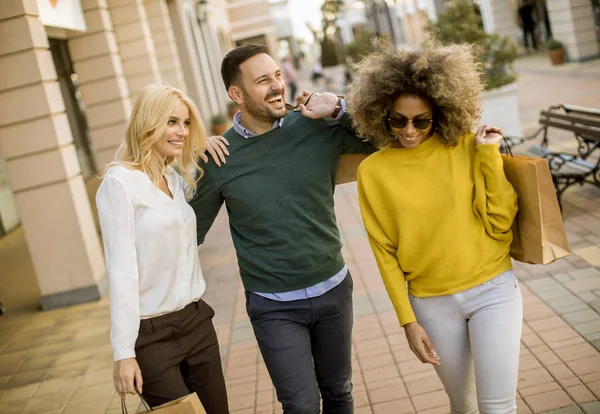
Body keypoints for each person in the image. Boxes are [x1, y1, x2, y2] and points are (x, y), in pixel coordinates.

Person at [190, 44, 375, 413]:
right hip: (274, 306)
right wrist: (181, 159)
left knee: (339, 392)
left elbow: (388, 135)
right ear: (236, 94)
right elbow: (186, 231)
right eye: (263, 81)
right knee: (301, 405)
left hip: (334, 289)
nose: (277, 86)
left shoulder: (315, 126)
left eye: (277, 76)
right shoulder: (219, 157)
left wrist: (338, 107)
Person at [349, 42, 521, 413]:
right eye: (398, 120)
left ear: (439, 115)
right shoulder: (373, 172)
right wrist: (407, 321)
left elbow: (502, 222)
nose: (409, 130)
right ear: (382, 115)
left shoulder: (465, 147)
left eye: (421, 121)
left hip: (493, 289)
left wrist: (489, 155)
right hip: (430, 303)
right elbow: (384, 253)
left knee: (497, 407)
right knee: (464, 405)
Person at [96, 84, 229, 413]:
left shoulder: (173, 178)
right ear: (147, 123)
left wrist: (203, 146)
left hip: (197, 321)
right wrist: (123, 352)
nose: (182, 131)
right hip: (152, 336)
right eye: (171, 122)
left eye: (185, 123)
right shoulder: (119, 184)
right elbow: (122, 272)